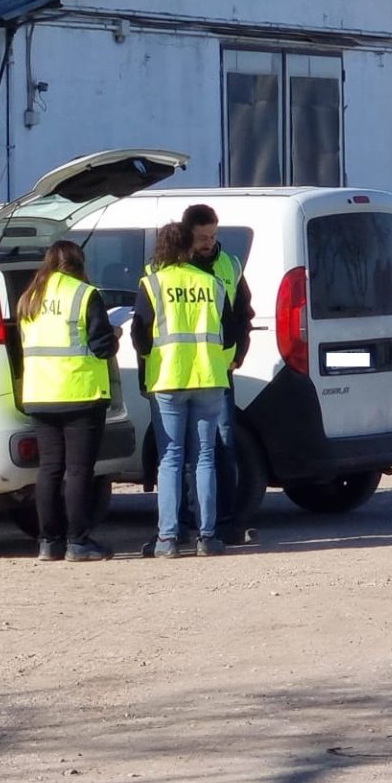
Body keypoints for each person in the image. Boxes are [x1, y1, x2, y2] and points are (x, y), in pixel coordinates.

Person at [133, 222, 238, 558]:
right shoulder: (212, 283)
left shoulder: (152, 284)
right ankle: (207, 536)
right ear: (190, 247)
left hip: (167, 378)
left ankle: (167, 539)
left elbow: (140, 336)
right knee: (205, 457)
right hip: (209, 377)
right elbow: (231, 333)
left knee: (171, 460)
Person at [15, 240, 119, 563]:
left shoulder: (28, 298)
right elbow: (101, 346)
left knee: (49, 469)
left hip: (39, 394)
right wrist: (114, 336)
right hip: (79, 393)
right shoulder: (85, 294)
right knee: (77, 471)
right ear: (79, 262)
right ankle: (78, 541)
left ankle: (49, 541)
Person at [180, 203, 256, 544]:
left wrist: (238, 353)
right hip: (180, 374)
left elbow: (243, 314)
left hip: (218, 372)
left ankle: (225, 521)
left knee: (223, 445)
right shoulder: (173, 268)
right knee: (183, 452)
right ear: (187, 236)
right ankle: (187, 522)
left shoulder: (229, 264)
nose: (209, 242)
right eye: (202, 237)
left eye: (213, 235)